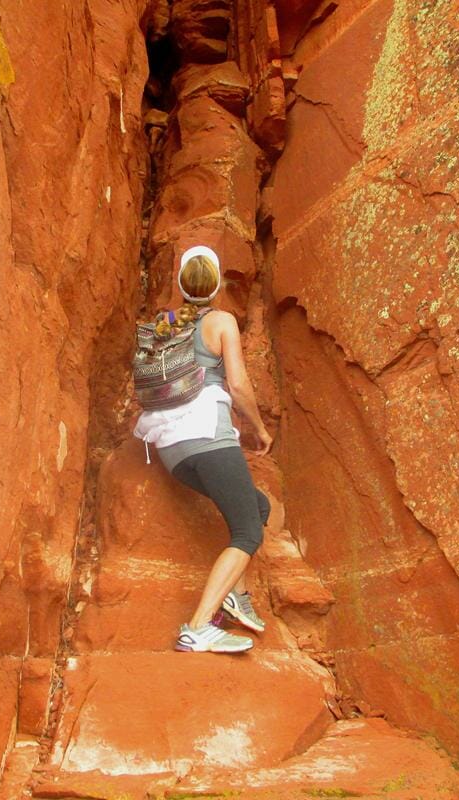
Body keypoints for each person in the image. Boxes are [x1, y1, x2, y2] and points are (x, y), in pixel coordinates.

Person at [133, 245, 274, 654]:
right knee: (249, 530)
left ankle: (236, 596)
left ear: (181, 285)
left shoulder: (166, 322)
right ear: (216, 286)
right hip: (209, 437)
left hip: (172, 451)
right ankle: (198, 627)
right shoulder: (221, 321)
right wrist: (260, 429)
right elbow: (239, 386)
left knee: (255, 508)